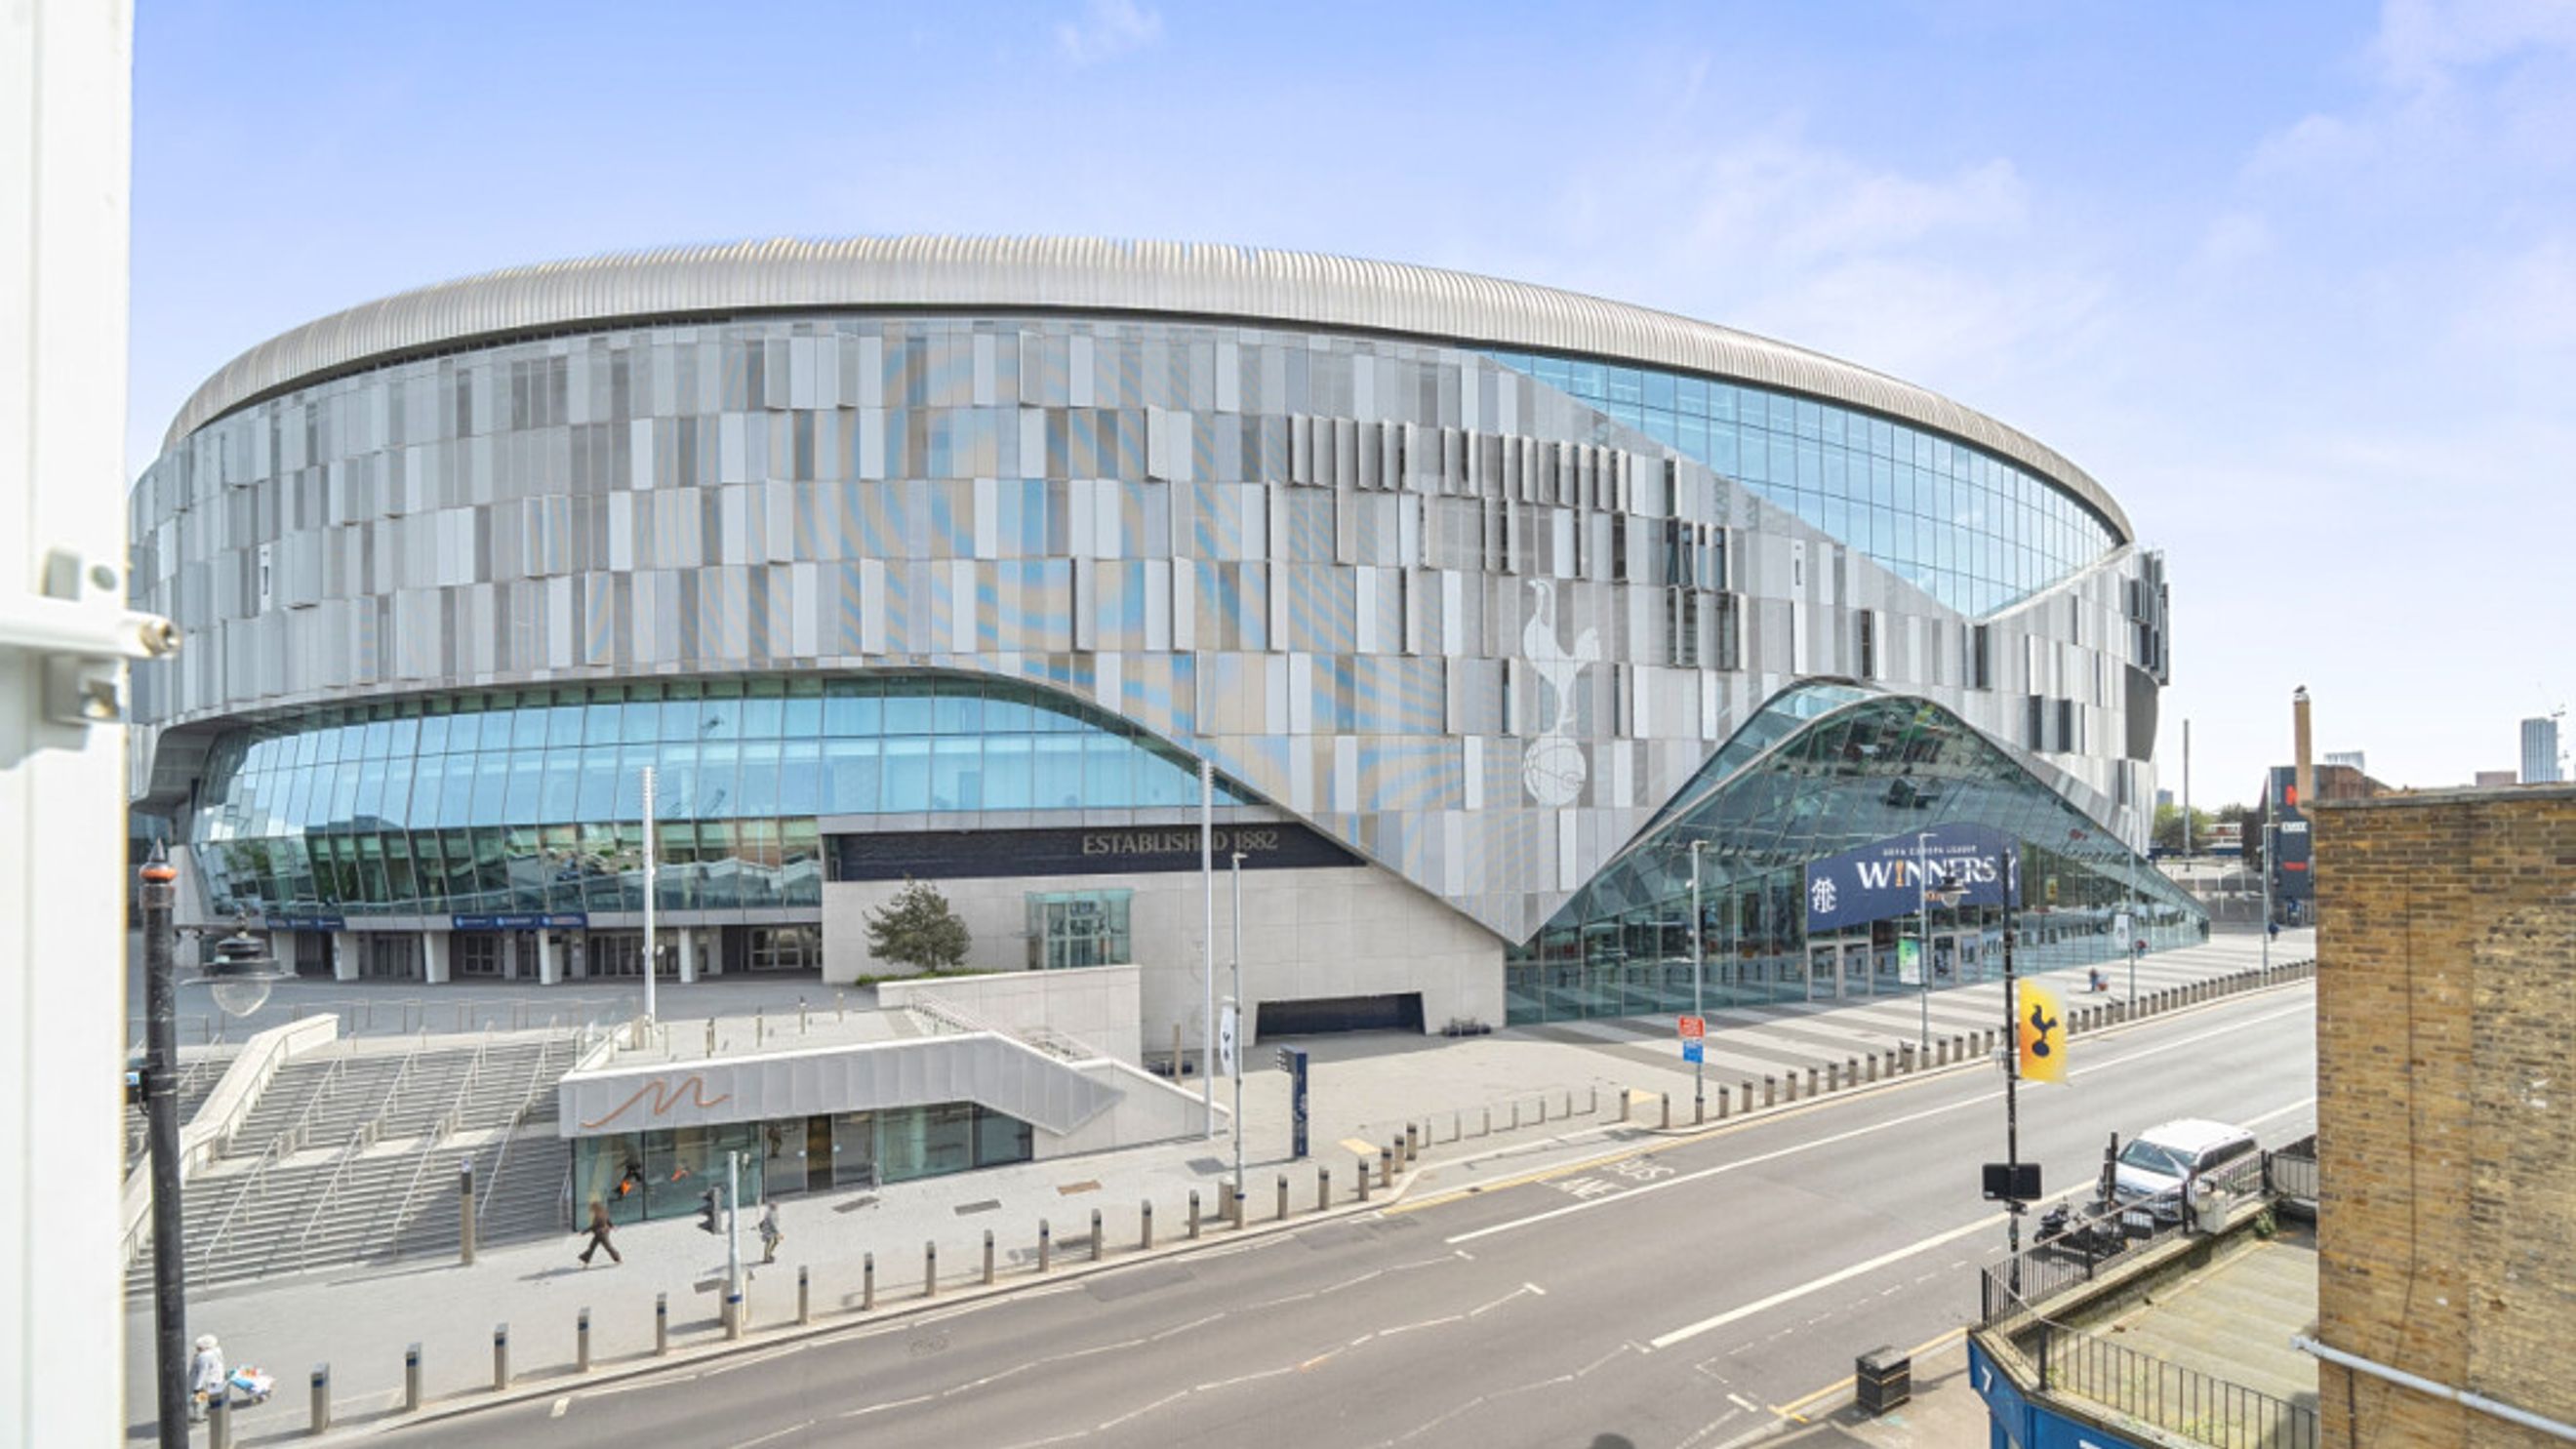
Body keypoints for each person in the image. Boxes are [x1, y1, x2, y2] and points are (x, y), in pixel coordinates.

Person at [188, 1333, 225, 1422]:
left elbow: (203, 1372)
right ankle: (205, 1413)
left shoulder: (203, 1357)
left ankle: (198, 1415)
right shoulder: (216, 1351)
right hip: (217, 1379)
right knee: (208, 1398)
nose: (197, 1348)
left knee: (201, 1399)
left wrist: (197, 1387)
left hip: (207, 1382)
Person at [579, 1198, 623, 1268]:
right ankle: (585, 1262)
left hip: (601, 1234)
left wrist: (583, 1232)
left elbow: (593, 1227)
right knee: (592, 1247)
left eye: (592, 1208)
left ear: (595, 1208)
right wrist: (612, 1226)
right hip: (601, 1233)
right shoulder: (603, 1212)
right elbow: (608, 1220)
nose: (591, 1210)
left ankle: (618, 1258)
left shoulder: (598, 1216)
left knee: (606, 1247)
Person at [757, 1200, 783, 1265]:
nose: (777, 1207)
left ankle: (769, 1254)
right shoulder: (769, 1214)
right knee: (770, 1242)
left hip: (772, 1231)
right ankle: (766, 1258)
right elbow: (772, 1224)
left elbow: (775, 1222)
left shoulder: (775, 1212)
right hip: (768, 1231)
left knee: (776, 1241)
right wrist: (778, 1233)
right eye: (775, 1206)